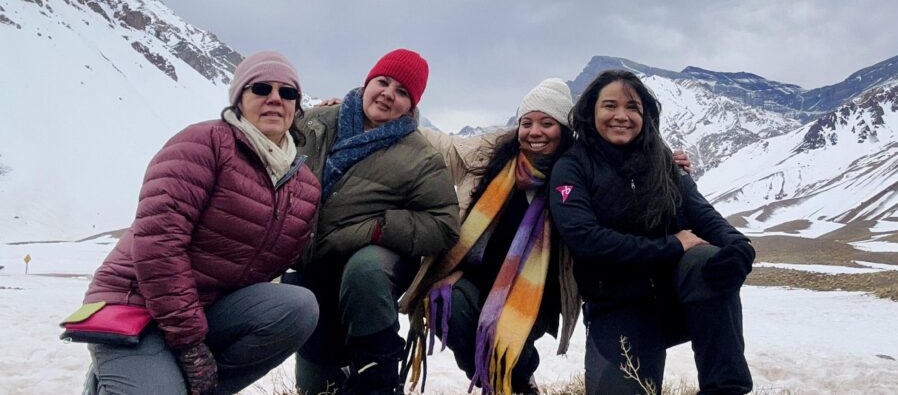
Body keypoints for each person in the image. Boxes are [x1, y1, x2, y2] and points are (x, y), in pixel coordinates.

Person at [79, 50, 322, 395]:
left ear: (297, 106)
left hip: (205, 313)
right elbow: (158, 246)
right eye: (261, 88)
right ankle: (119, 379)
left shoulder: (304, 187)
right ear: (239, 99)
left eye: (287, 93)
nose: (274, 99)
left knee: (298, 306)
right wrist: (191, 346)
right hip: (136, 306)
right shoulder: (201, 145)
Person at [549, 69, 754, 395]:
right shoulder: (573, 166)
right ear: (591, 111)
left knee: (707, 260)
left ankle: (725, 388)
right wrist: (672, 245)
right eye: (610, 106)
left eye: (632, 107)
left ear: (645, 115)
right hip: (616, 306)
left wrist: (740, 247)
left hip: (672, 298)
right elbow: (585, 240)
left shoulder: (661, 160)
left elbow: (700, 212)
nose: (621, 116)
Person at [285, 48, 460, 395]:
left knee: (364, 270)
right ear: (367, 83)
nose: (388, 94)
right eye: (383, 82)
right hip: (311, 257)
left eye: (402, 92)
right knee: (314, 379)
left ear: (410, 106)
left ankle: (377, 380)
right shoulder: (317, 123)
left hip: (374, 261)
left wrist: (380, 229)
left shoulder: (420, 155)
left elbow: (444, 224)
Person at [399, 78, 581, 395]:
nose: (534, 132)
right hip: (474, 277)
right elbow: (442, 146)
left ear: (563, 129)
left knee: (504, 333)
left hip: (535, 293)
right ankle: (502, 384)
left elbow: (620, 162)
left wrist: (667, 164)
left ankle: (516, 379)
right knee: (447, 307)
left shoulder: (577, 172)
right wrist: (395, 115)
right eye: (527, 122)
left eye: (547, 123)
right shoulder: (492, 159)